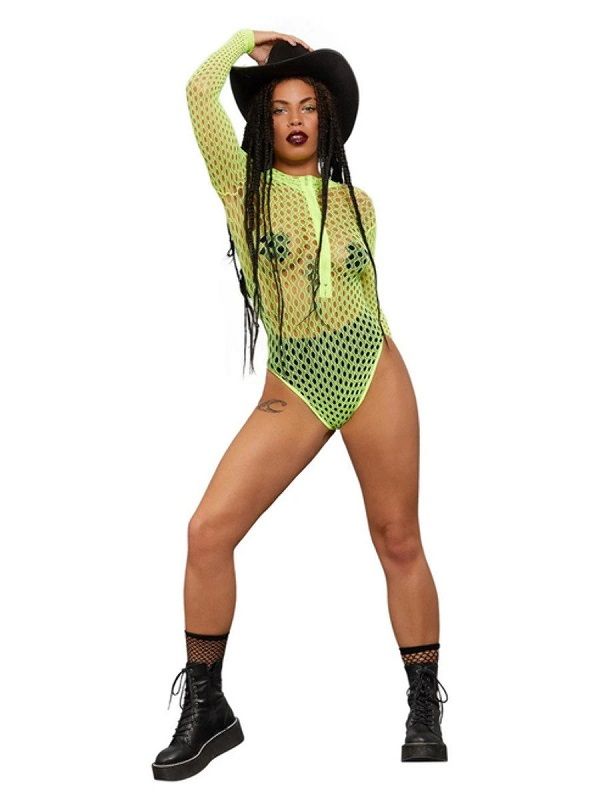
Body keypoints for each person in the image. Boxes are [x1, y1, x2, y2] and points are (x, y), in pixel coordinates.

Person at [151, 28, 449, 781]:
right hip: (296, 385)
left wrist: (375, 367)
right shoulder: (241, 188)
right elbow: (197, 93)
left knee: (398, 538)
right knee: (207, 531)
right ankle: (208, 709)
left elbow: (363, 299)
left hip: (374, 367)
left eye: (308, 107)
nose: (294, 118)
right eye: (280, 107)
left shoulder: (359, 204)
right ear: (263, 121)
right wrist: (249, 40)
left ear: (327, 120)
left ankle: (423, 707)